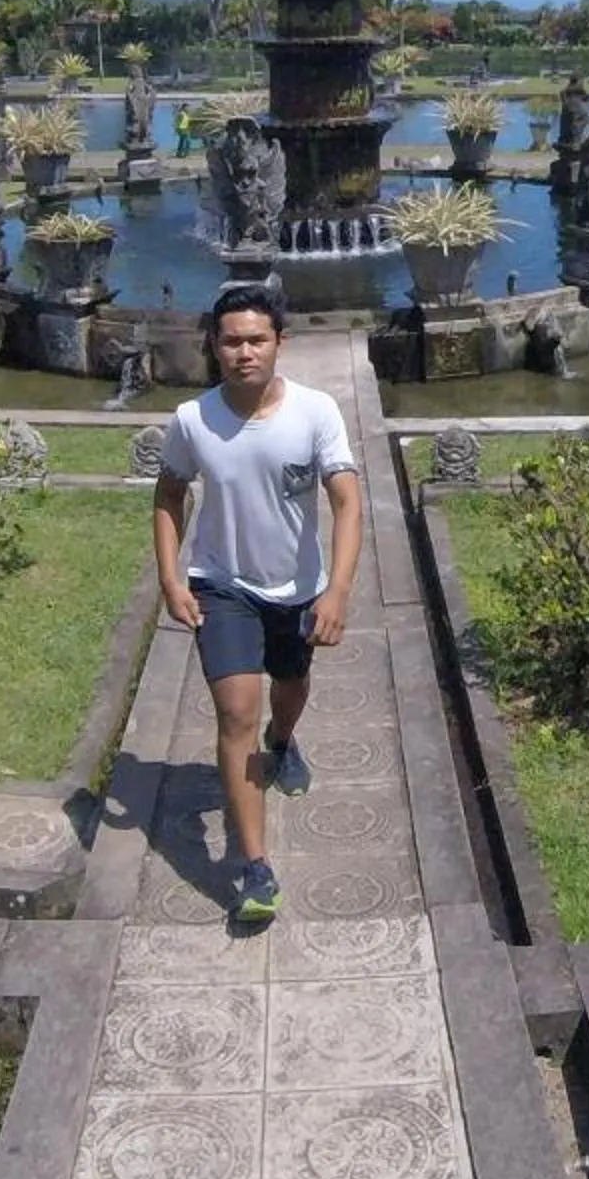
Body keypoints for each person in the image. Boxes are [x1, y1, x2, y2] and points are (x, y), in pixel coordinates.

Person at [149, 284, 364, 924]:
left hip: (296, 588)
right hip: (222, 583)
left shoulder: (317, 412)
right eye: (232, 340)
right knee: (234, 713)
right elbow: (168, 497)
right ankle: (253, 865)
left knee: (291, 685)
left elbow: (347, 502)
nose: (245, 352)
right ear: (214, 347)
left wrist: (338, 590)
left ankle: (285, 737)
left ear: (279, 344)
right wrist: (171, 579)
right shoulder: (193, 420)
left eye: (257, 339)